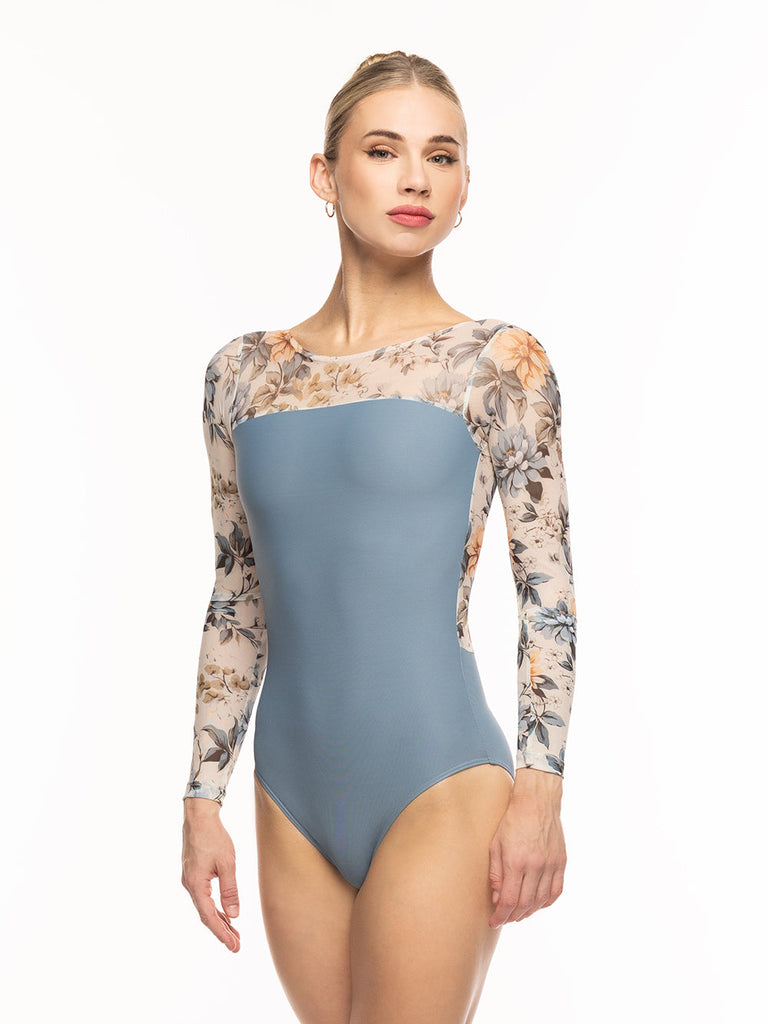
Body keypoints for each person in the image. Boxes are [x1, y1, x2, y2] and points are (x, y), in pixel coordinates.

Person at [181, 50, 577, 1024]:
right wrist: (201, 797)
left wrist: (541, 791)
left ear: (465, 186)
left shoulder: (495, 363)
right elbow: (237, 596)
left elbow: (548, 597)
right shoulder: (241, 375)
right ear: (326, 175)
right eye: (383, 150)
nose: (415, 179)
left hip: (440, 778)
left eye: (441, 157)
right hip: (290, 794)